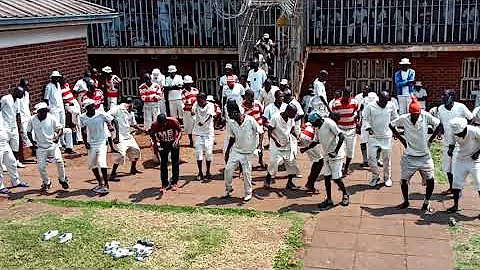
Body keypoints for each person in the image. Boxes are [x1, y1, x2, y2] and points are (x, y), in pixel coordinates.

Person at [389, 98, 441, 213]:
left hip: (424, 156)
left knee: (431, 180)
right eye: (414, 115)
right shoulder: (404, 118)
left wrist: (431, 139)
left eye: (417, 114)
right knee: (403, 181)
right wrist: (401, 138)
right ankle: (406, 201)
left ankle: (426, 202)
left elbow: (439, 124)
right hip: (409, 157)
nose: (416, 116)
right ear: (410, 113)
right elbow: (391, 125)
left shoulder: (425, 116)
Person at [301, 111, 349, 209]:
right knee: (327, 178)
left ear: (318, 120)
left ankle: (345, 194)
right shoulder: (318, 128)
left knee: (336, 178)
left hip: (336, 155)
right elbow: (316, 141)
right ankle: (329, 199)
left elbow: (341, 136)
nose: (313, 125)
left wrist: (335, 151)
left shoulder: (329, 123)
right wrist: (306, 148)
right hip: (327, 155)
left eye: (313, 123)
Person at [437, 90, 473, 195]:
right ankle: (452, 188)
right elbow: (441, 122)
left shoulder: (461, 107)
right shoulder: (440, 109)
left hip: (459, 144)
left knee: (456, 169)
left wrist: (465, 131)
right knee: (447, 168)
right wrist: (439, 132)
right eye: (442, 95)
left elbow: (471, 118)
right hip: (447, 142)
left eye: (445, 95)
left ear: (452, 97)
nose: (442, 97)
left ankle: (458, 190)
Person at [224, 101, 262, 201]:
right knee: (228, 169)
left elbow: (261, 132)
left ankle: (248, 193)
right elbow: (232, 138)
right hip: (236, 150)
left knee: (246, 173)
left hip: (249, 152)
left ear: (235, 112)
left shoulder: (250, 120)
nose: (228, 114)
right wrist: (227, 152)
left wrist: (260, 147)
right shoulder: (231, 123)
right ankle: (228, 189)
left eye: (229, 112)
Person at [27, 102, 69, 192]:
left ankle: (62, 179)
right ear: (38, 112)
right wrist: (32, 142)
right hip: (41, 147)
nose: (45, 113)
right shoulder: (32, 119)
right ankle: (47, 182)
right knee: (41, 167)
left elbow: (60, 129)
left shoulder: (51, 117)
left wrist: (57, 137)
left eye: (46, 111)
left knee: (59, 161)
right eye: (42, 111)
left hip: (52, 145)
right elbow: (28, 132)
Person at [363, 91, 399, 187]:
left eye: (386, 101)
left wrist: (395, 131)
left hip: (386, 136)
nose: (384, 103)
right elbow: (365, 118)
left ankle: (387, 177)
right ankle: (375, 176)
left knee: (386, 159)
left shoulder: (391, 105)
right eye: (383, 101)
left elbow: (395, 119)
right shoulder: (370, 106)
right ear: (378, 98)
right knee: (371, 158)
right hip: (373, 136)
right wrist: (368, 127)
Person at [80, 99, 114, 195]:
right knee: (92, 164)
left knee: (102, 162)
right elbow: (83, 130)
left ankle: (106, 184)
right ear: (87, 108)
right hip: (91, 143)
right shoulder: (83, 117)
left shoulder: (101, 114)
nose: (93, 107)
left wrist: (110, 125)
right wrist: (85, 142)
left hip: (102, 141)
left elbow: (112, 119)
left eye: (93, 105)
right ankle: (100, 183)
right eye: (91, 106)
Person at [446, 118, 480, 214]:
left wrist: (477, 152)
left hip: (475, 161)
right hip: (461, 160)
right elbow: (452, 143)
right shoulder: (454, 132)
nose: (458, 135)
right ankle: (455, 205)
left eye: (459, 133)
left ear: (464, 128)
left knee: (479, 184)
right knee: (456, 184)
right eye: (456, 134)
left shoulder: (475, 131)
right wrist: (450, 150)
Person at [264, 104, 300, 190]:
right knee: (273, 163)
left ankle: (290, 183)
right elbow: (269, 131)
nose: (294, 116)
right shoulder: (275, 117)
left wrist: (297, 137)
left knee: (291, 163)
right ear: (288, 111)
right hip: (276, 145)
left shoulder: (291, 119)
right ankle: (267, 180)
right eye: (293, 113)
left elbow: (291, 129)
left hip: (287, 144)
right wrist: (275, 141)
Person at [109, 98, 143, 181]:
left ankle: (133, 168)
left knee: (136, 150)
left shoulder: (131, 112)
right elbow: (108, 116)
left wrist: (143, 130)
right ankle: (113, 174)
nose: (133, 109)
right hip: (118, 135)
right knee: (120, 154)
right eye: (133, 107)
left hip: (128, 135)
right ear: (130, 104)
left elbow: (133, 124)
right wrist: (110, 125)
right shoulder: (118, 109)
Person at [330, 88, 360, 176]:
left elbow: (357, 112)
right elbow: (333, 117)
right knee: (340, 150)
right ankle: (340, 168)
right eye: (345, 95)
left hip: (351, 129)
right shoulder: (336, 103)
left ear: (350, 94)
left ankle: (346, 167)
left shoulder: (354, 102)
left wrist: (358, 121)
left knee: (350, 151)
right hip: (340, 130)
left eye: (348, 95)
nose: (347, 97)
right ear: (342, 94)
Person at [150, 113, 182, 192]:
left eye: (163, 124)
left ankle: (175, 182)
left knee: (175, 162)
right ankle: (164, 183)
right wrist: (155, 144)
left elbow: (180, 131)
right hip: (163, 143)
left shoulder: (173, 121)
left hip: (173, 142)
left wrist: (177, 140)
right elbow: (152, 134)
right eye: (160, 125)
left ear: (166, 121)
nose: (162, 126)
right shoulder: (154, 125)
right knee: (163, 163)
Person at [0, 112, 29, 195]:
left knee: (12, 162)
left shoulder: (1, 114)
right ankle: (0, 186)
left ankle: (15, 181)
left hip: (5, 143)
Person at [192, 93, 216, 181]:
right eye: (197, 99)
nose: (198, 101)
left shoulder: (210, 105)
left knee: (209, 153)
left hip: (208, 133)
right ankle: (200, 172)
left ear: (204, 99)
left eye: (200, 99)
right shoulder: (196, 104)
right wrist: (193, 114)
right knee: (198, 153)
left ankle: (208, 172)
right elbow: (193, 111)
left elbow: (209, 116)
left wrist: (203, 122)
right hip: (198, 132)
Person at [1, 86, 25, 167]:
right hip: (5, 126)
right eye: (21, 93)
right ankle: (3, 164)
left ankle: (16, 161)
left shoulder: (18, 101)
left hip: (14, 126)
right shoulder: (6, 98)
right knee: (4, 145)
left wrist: (19, 126)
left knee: (15, 145)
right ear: (15, 92)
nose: (22, 95)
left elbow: (18, 114)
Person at [355, 86, 379, 167]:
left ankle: (377, 160)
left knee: (377, 142)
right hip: (365, 124)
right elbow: (359, 111)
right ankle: (365, 160)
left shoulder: (376, 99)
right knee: (363, 141)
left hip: (375, 124)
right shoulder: (361, 99)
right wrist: (359, 121)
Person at [299, 119, 324, 194]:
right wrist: (305, 148)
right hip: (307, 139)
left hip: (305, 136)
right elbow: (316, 141)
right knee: (319, 161)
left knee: (318, 161)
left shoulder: (311, 123)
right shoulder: (322, 126)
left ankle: (310, 183)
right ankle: (310, 184)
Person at [242, 89, 265, 167]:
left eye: (252, 97)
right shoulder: (241, 106)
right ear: (245, 97)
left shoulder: (257, 103)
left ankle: (260, 160)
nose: (251, 99)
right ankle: (244, 165)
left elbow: (262, 113)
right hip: (248, 129)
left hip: (259, 126)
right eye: (249, 98)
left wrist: (261, 124)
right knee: (245, 146)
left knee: (260, 145)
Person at [16, 78, 33, 156]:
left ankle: (35, 151)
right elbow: (18, 111)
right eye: (25, 86)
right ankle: (33, 151)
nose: (27, 88)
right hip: (23, 119)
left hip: (28, 117)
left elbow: (27, 106)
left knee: (32, 134)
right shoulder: (18, 97)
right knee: (26, 135)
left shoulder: (27, 94)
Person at [182, 75, 199, 147]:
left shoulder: (195, 90)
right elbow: (184, 103)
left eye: (189, 83)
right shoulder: (182, 92)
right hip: (187, 111)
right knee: (189, 126)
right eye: (187, 84)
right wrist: (191, 107)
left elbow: (198, 100)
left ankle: (198, 141)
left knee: (197, 125)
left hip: (196, 110)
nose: (188, 85)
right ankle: (191, 141)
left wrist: (194, 108)